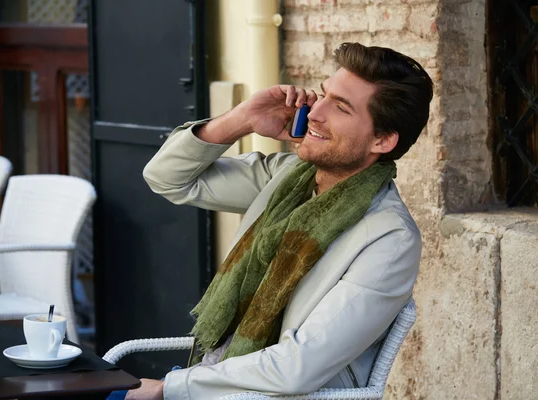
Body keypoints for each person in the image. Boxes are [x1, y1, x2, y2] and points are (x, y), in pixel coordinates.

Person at [125, 42, 433, 400]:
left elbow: (297, 368)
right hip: (221, 384)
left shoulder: (390, 239)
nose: (315, 113)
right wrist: (243, 118)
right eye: (322, 95)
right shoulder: (287, 178)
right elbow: (166, 178)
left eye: (341, 107)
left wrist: (168, 388)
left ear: (382, 140)